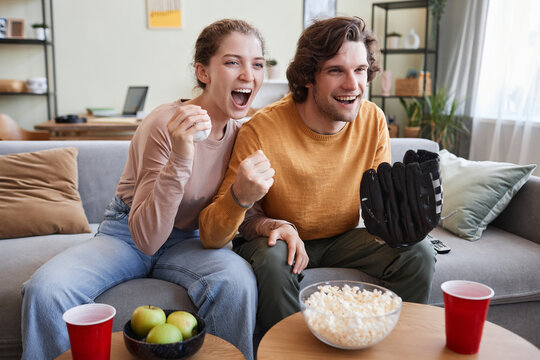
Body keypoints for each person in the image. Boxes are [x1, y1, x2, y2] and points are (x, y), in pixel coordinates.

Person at [21, 19, 266, 360]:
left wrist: (270, 223)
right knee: (45, 290)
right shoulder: (163, 123)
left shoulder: (245, 133)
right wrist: (182, 156)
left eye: (257, 64)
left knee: (237, 282)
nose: (248, 75)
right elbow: (147, 238)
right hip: (128, 233)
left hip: (191, 239)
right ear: (203, 72)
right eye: (232, 62)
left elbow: (240, 206)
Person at [199, 16, 436, 334]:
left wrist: (404, 216)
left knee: (418, 252)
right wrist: (271, 223)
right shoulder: (262, 129)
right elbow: (222, 230)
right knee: (273, 260)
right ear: (309, 76)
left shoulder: (372, 121)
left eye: (360, 70)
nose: (353, 85)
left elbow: (379, 208)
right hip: (280, 241)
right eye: (336, 70)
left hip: (342, 239)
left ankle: (396, 348)